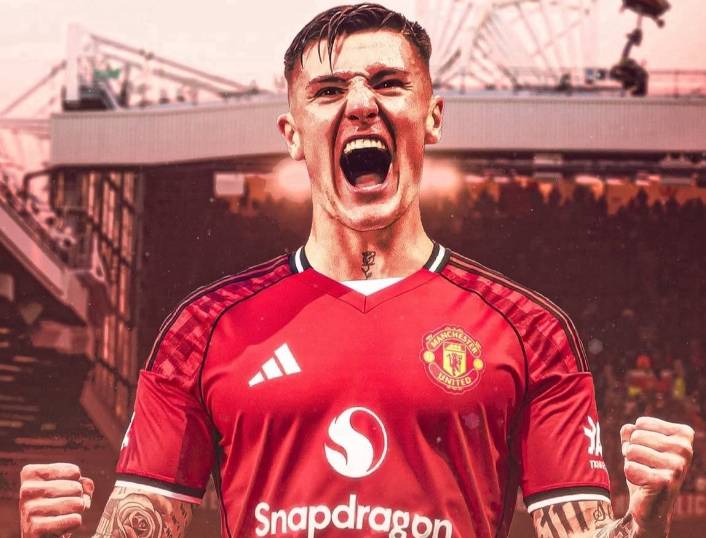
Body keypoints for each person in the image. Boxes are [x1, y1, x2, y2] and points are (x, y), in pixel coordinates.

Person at [19, 4, 694, 537]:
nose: (362, 103)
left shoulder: (531, 332)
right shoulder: (202, 332)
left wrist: (647, 519)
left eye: (390, 83)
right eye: (329, 89)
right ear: (293, 134)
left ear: (432, 117)